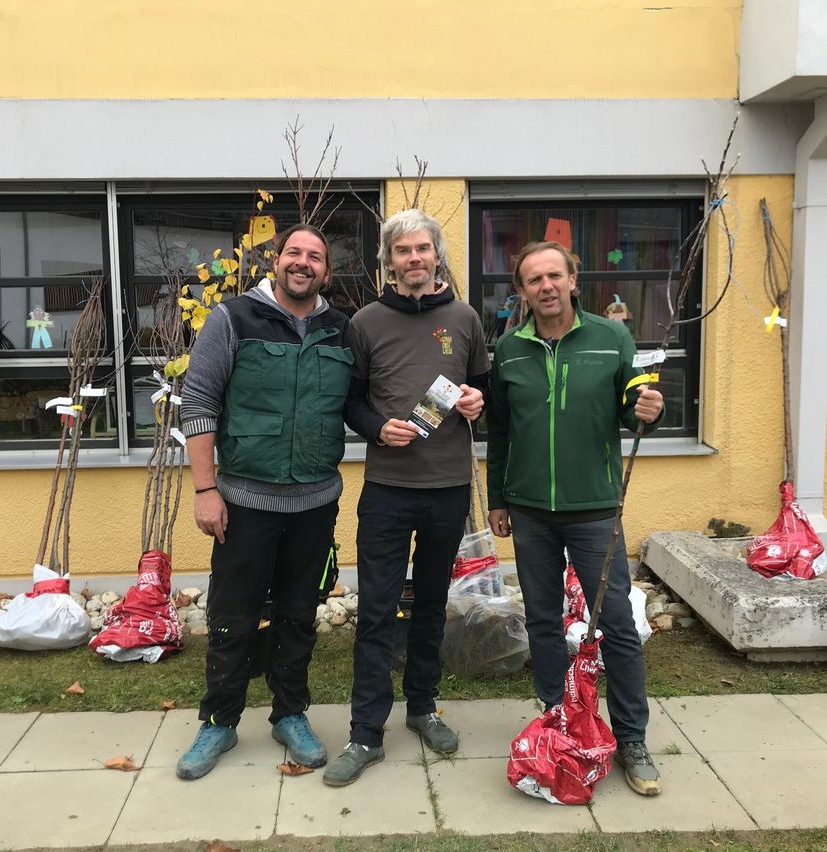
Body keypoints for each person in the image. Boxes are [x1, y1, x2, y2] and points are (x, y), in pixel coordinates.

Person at [486, 240, 665, 797]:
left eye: (553, 276)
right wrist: (498, 496)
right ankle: (555, 719)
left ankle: (632, 738)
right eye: (532, 279)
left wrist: (650, 413)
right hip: (531, 510)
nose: (544, 286)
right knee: (542, 619)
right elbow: (501, 433)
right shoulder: (509, 348)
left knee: (613, 621)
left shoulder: (611, 338)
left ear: (572, 280)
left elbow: (634, 405)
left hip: (594, 509)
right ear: (521, 291)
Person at [176, 224, 354, 780]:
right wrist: (206, 490)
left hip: (315, 503)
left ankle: (290, 713)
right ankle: (219, 721)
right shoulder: (232, 319)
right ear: (276, 261)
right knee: (233, 616)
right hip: (244, 502)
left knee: (300, 615)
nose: (303, 263)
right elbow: (198, 403)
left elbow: (366, 402)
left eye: (315, 257)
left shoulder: (341, 329)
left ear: (326, 271)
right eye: (294, 253)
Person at [323, 209, 490, 786]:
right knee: (375, 612)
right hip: (388, 491)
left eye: (423, 249)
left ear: (437, 255)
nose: (414, 259)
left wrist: (476, 402)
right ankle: (365, 734)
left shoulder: (465, 318)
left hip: (447, 489)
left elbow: (483, 386)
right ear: (388, 262)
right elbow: (351, 401)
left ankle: (422, 708)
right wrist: (375, 428)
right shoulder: (365, 323)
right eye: (402, 251)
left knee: (431, 606)